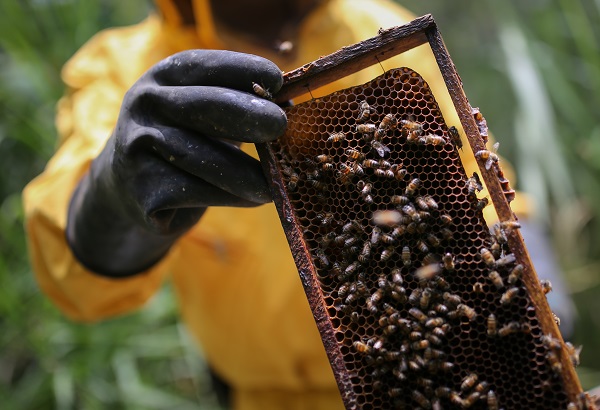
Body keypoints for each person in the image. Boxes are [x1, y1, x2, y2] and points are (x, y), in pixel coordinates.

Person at [22, 0, 573, 408]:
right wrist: (114, 197)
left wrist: (541, 316)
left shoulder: (376, 28)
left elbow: (485, 192)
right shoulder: (123, 67)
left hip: (448, 378)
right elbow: (78, 280)